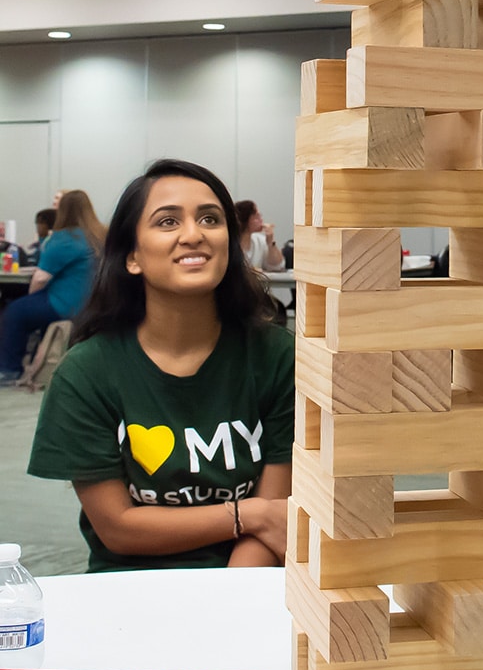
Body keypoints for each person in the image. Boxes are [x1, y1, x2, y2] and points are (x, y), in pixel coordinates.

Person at [28, 159, 294, 572]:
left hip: (249, 579)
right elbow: (117, 527)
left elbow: (275, 516)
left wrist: (231, 600)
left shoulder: (278, 356)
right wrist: (246, 514)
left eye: (210, 218)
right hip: (129, 589)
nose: (194, 235)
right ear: (132, 257)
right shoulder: (86, 373)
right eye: (168, 222)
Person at [0, 190, 105, 384]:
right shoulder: (100, 235)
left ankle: (8, 370)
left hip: (67, 304)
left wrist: (30, 298)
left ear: (63, 212)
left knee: (15, 311)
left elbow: (40, 279)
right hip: (95, 302)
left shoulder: (65, 238)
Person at [234, 199, 284, 271]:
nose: (261, 220)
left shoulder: (260, 241)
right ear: (246, 220)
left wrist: (270, 243)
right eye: (257, 216)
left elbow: (277, 266)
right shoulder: (230, 243)